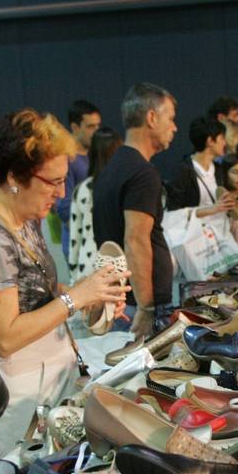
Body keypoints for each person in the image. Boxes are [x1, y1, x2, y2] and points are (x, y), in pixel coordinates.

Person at [0, 109, 129, 452]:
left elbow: (35, 294)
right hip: (14, 391)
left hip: (43, 379)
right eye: (53, 181)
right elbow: (6, 337)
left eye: (64, 180)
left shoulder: (23, 215)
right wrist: (75, 298)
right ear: (15, 177)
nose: (61, 193)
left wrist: (92, 294)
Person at [93, 82, 178, 339]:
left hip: (125, 300)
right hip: (139, 307)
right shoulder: (142, 173)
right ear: (151, 117)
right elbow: (135, 240)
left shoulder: (113, 167)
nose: (174, 127)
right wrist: (147, 307)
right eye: (171, 118)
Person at [68, 126, 122, 282]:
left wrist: (74, 278)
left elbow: (75, 239)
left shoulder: (82, 189)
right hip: (118, 268)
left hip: (87, 269)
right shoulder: (122, 187)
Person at [55, 99, 102, 257]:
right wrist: (83, 240)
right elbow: (64, 207)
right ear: (75, 127)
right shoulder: (67, 159)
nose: (96, 131)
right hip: (80, 246)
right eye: (90, 126)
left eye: (98, 126)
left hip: (96, 240)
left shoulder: (95, 154)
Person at [167, 116, 237, 219]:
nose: (224, 143)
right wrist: (211, 209)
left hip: (219, 232)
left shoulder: (219, 170)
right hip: (194, 233)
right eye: (222, 138)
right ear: (210, 141)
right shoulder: (183, 171)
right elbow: (173, 212)